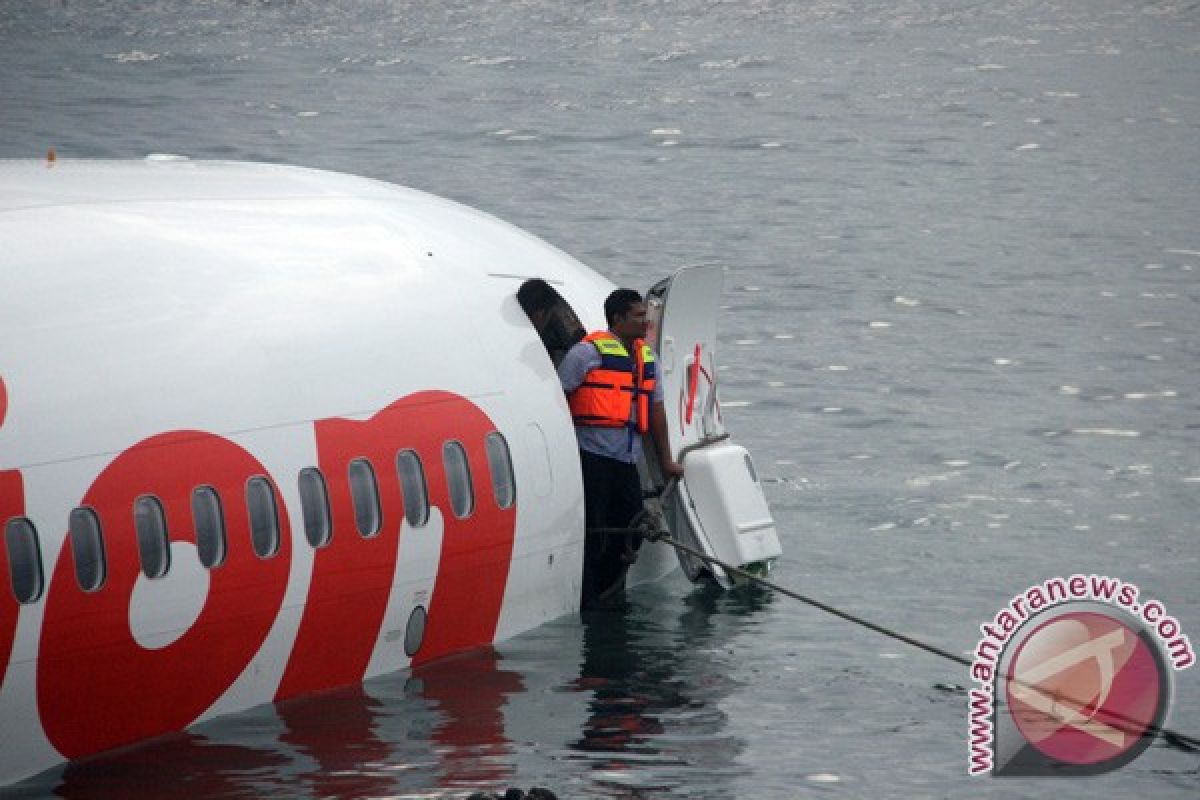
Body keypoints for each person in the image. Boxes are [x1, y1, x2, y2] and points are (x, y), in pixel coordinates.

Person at [558, 288, 684, 607]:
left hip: (626, 458)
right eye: (638, 316)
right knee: (596, 531)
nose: (645, 323)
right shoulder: (586, 355)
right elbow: (558, 396)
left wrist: (667, 459)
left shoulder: (646, 357)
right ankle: (589, 598)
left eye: (646, 316)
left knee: (631, 525)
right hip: (593, 457)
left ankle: (610, 589)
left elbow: (656, 411)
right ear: (618, 319)